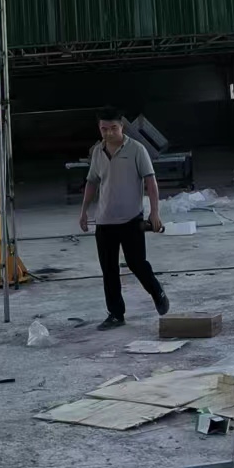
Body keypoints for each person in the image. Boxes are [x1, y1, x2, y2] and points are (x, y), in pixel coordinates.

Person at [78, 112, 171, 329]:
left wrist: (154, 212)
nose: (109, 133)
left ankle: (157, 292)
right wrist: (84, 211)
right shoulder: (98, 152)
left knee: (137, 263)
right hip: (104, 220)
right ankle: (116, 314)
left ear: (122, 127)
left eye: (113, 128)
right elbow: (92, 182)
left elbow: (150, 182)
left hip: (131, 218)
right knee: (109, 269)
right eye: (104, 129)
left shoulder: (137, 150)